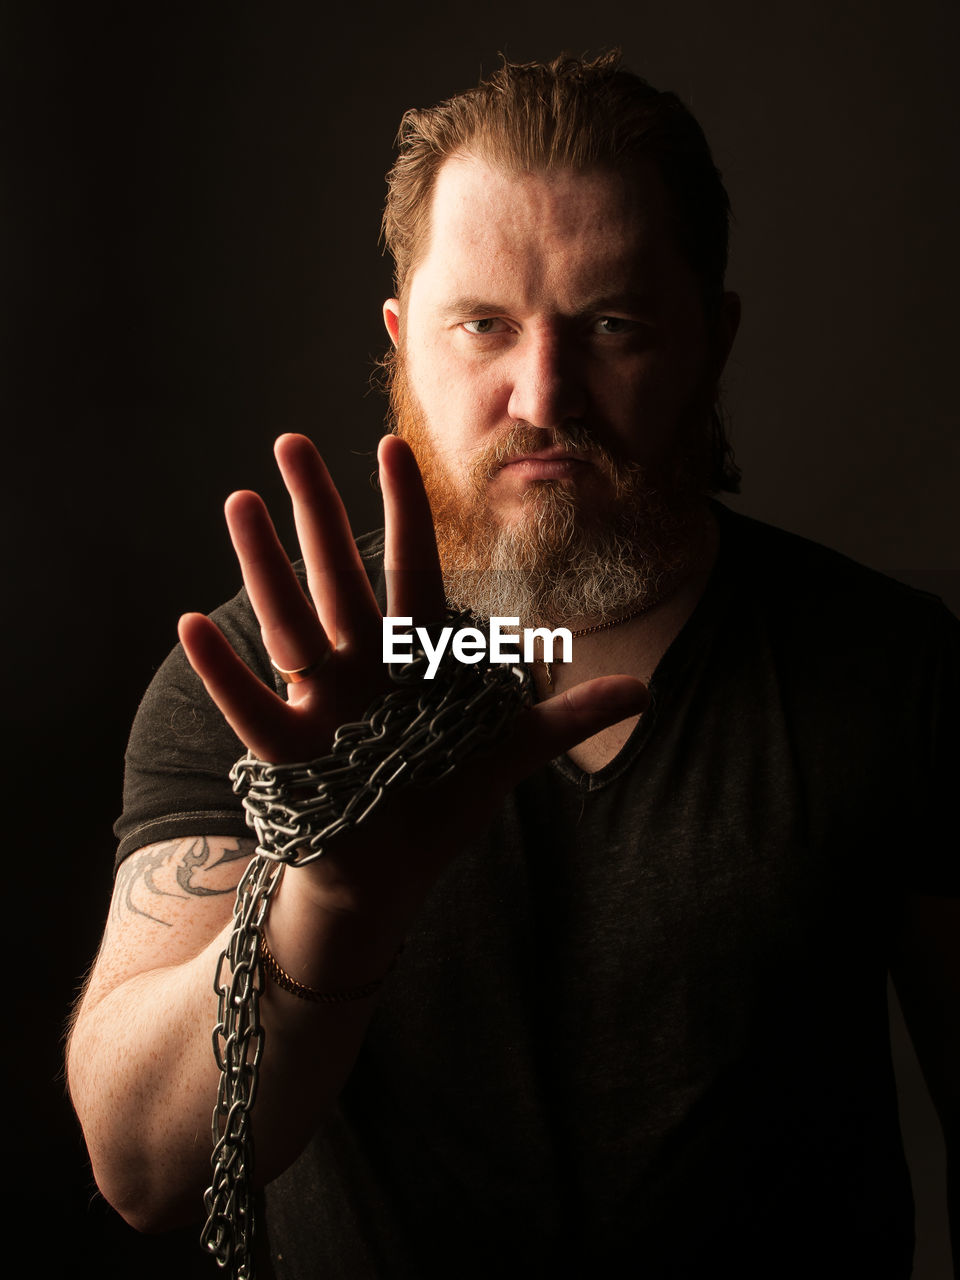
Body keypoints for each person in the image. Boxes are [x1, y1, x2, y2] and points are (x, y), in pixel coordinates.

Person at [68, 52, 958, 1279]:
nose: (544, 394)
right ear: (400, 343)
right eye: (482, 324)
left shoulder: (892, 674)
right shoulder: (261, 681)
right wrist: (330, 898)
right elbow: (143, 1169)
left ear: (715, 337)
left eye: (612, 325)